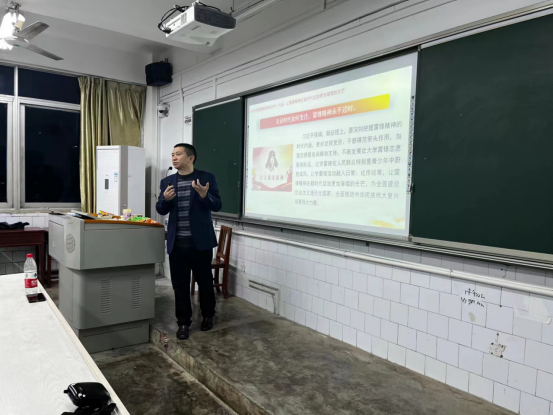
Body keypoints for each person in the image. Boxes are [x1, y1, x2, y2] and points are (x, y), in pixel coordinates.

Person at [156, 143, 222, 340]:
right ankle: (183, 323)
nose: (174, 158)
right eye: (173, 154)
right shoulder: (167, 181)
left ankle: (208, 315)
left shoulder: (206, 178)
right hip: (177, 244)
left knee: (205, 283)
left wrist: (204, 195)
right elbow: (160, 209)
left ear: (191, 158)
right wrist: (165, 200)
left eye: (178, 154)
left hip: (200, 243)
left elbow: (217, 205)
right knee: (180, 286)